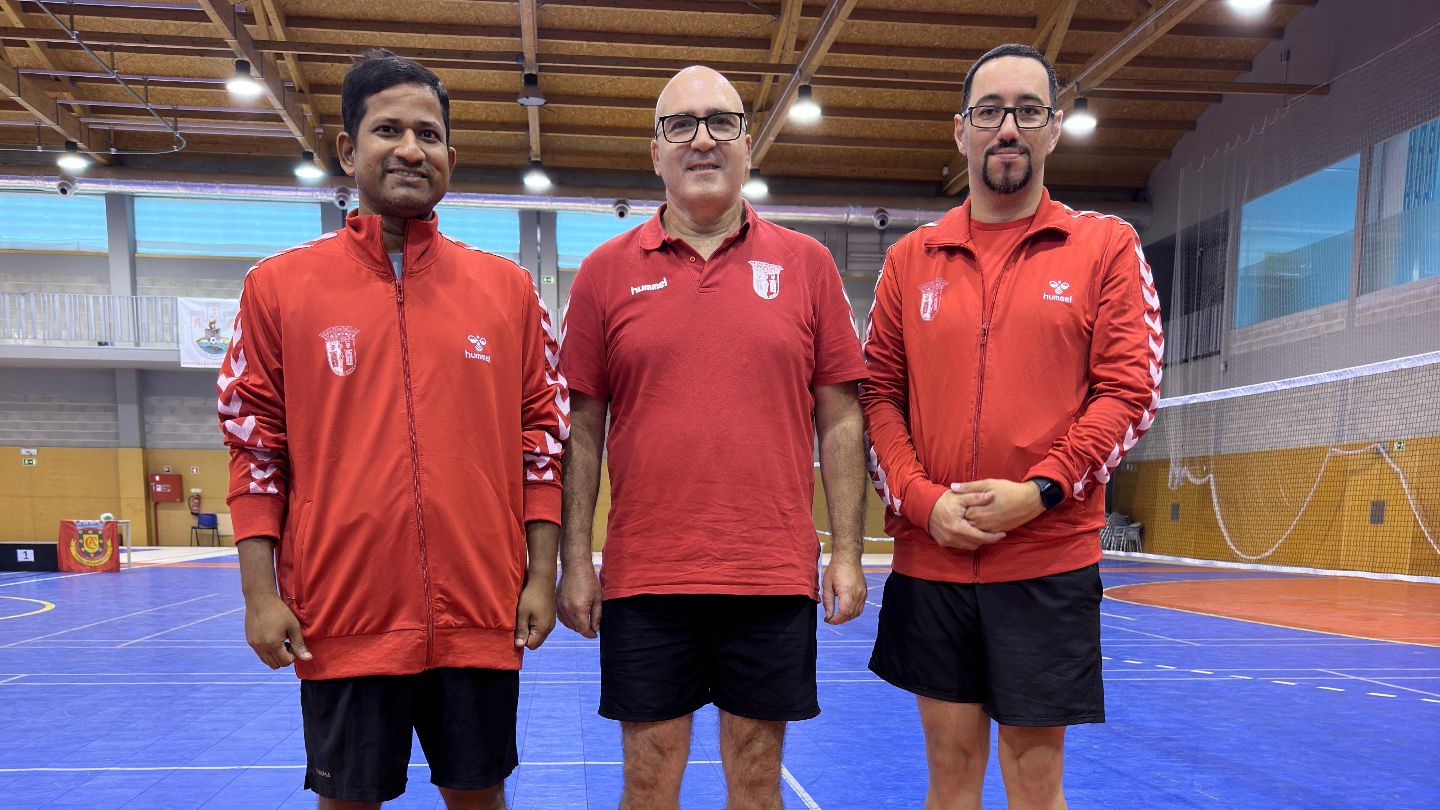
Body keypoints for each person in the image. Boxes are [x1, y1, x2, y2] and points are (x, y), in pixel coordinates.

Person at [218, 49, 568, 809]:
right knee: (349, 803)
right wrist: (258, 594)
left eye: (429, 134)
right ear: (347, 149)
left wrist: (541, 574)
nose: (411, 148)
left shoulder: (508, 290)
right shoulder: (277, 287)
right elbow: (254, 446)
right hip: (340, 615)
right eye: (388, 130)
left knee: (479, 798)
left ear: (450, 154)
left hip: (481, 611)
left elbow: (542, 439)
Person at [556, 65, 869, 810]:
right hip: (647, 577)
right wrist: (574, 559)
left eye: (721, 123)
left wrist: (849, 552)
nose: (702, 140)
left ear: (748, 144)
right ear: (654, 151)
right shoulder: (603, 272)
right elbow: (583, 428)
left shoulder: (808, 265)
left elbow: (842, 417)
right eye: (681, 125)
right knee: (647, 779)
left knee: (757, 782)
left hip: (768, 574)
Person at [861, 43, 1164, 809]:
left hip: (1047, 560)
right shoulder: (909, 259)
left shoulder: (1106, 247)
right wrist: (920, 498)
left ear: (1054, 128)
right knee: (951, 773)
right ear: (960, 130)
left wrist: (1044, 489)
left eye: (1028, 111)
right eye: (990, 111)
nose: (1008, 128)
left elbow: (1129, 391)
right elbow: (876, 397)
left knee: (1035, 781)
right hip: (932, 559)